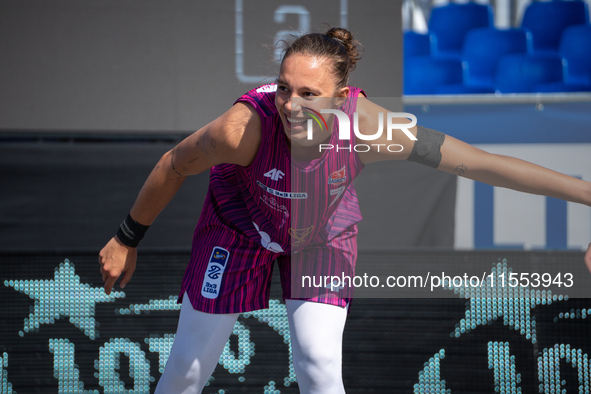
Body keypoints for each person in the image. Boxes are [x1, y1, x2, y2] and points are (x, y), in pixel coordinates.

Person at [99, 27, 591, 394]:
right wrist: (126, 237)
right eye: (284, 87)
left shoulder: (373, 129)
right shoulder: (241, 128)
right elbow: (172, 164)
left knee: (317, 362)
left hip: (320, 234)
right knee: (186, 367)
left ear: (341, 97)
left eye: (308, 94)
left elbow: (481, 164)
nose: (290, 104)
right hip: (238, 229)